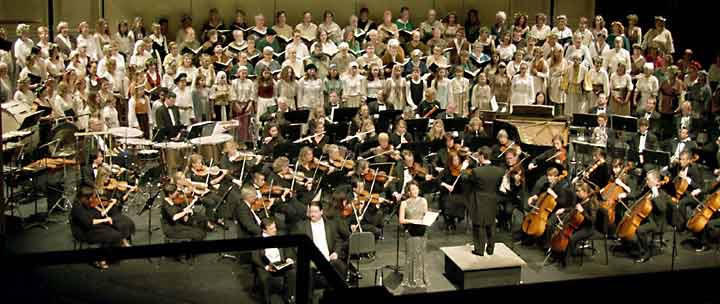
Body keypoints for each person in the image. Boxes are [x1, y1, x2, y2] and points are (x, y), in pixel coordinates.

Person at [70, 185, 134, 269]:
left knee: (114, 230)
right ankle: (99, 260)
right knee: (111, 235)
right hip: (82, 232)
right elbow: (89, 222)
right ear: (83, 198)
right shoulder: (77, 208)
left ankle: (113, 250)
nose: (91, 200)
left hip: (88, 227)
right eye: (89, 198)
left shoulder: (82, 203)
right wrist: (104, 220)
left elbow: (92, 216)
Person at [464, 147, 504, 255]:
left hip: (479, 199)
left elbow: (468, 182)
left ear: (482, 156)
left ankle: (479, 250)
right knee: (491, 224)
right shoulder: (499, 171)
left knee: (478, 225)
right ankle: (490, 249)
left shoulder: (476, 171)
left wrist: (464, 169)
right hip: (492, 199)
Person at [252, 217, 297, 304]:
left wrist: (288, 258)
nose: (275, 230)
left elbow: (287, 248)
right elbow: (255, 257)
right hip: (267, 265)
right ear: (264, 230)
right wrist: (266, 267)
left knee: (292, 273)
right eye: (271, 229)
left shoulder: (280, 235)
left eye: (275, 227)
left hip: (280, 263)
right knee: (264, 278)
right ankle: (267, 301)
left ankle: (290, 297)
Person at [399, 182, 428, 288]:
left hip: (422, 230)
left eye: (417, 189)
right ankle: (410, 280)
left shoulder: (423, 200)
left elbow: (425, 215)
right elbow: (401, 220)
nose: (415, 191)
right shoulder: (404, 203)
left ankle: (421, 279)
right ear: (408, 192)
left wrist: (429, 218)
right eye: (413, 190)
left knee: (420, 255)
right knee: (410, 255)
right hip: (410, 231)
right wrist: (412, 221)